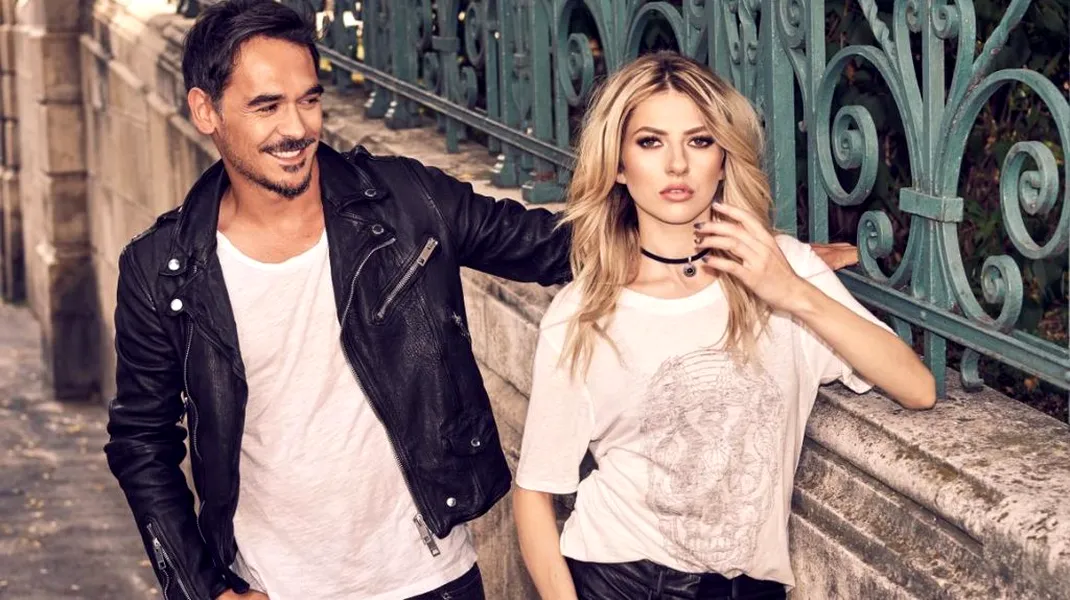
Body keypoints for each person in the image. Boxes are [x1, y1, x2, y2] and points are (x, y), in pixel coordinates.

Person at [103, 2, 860, 599]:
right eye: (267, 107)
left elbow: (550, 243)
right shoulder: (162, 272)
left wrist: (749, 253)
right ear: (206, 110)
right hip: (274, 582)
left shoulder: (403, 202)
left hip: (430, 577)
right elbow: (141, 443)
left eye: (308, 100)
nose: (297, 128)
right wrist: (205, 589)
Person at [512, 52, 936, 600]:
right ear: (618, 165)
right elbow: (535, 492)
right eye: (650, 142)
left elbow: (917, 387)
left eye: (699, 140)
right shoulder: (582, 315)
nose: (677, 165)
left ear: (723, 158)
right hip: (622, 581)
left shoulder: (785, 270)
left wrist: (790, 292)